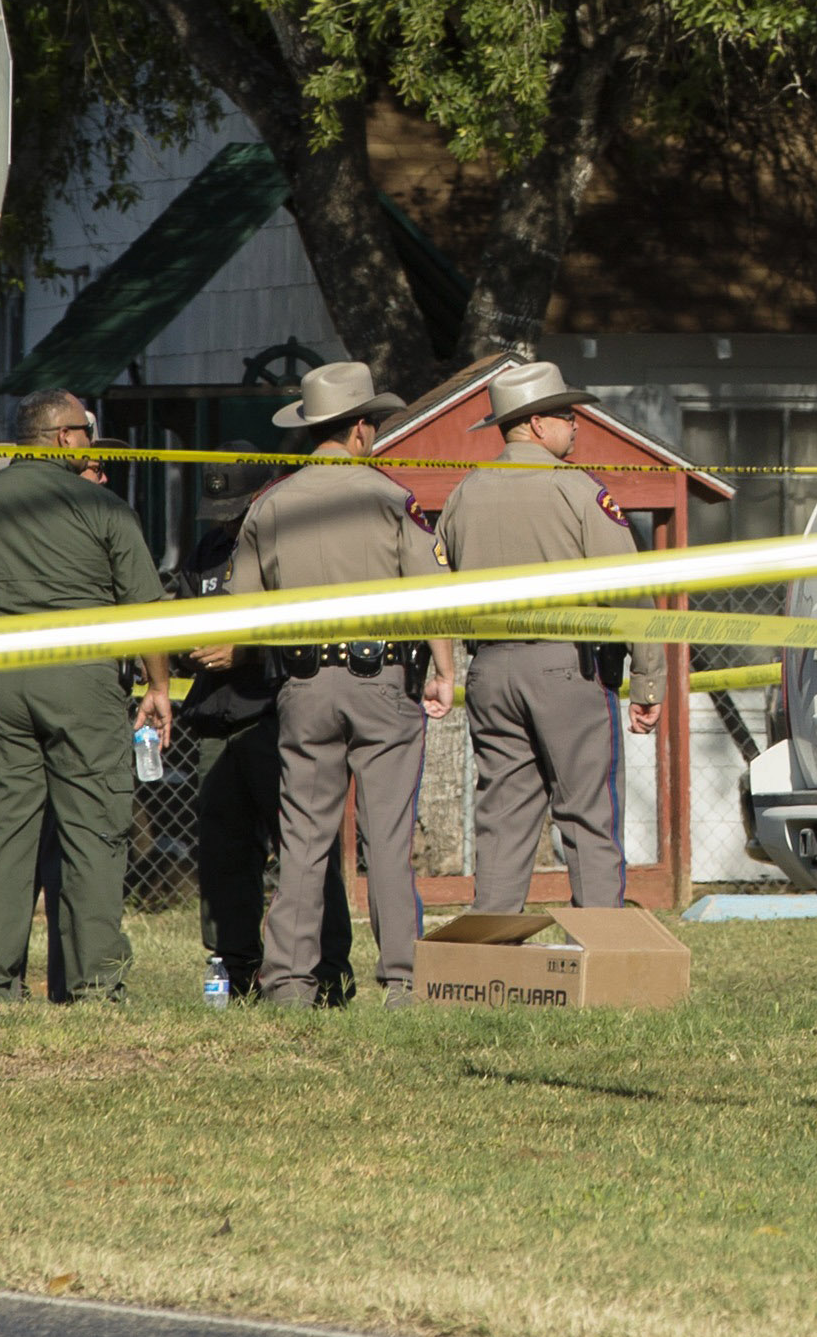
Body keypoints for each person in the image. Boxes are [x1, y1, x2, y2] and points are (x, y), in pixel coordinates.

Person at [0, 393, 175, 1003]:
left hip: (0, 683)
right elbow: (147, 609)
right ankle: (95, 986)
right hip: (83, 683)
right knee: (94, 833)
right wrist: (158, 686)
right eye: (86, 431)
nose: (89, 440)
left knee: (5, 836)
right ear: (60, 438)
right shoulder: (102, 507)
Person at [226, 363, 454, 1006]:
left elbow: (242, 609)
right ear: (358, 427)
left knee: (302, 838)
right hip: (381, 680)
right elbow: (433, 594)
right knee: (387, 839)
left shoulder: (268, 505)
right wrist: (443, 668)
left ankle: (290, 984)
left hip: (301, 686)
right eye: (374, 426)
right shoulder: (388, 498)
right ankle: (404, 981)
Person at [438, 361, 653, 911]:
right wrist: (648, 680)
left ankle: (489, 955)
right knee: (587, 815)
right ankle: (602, 951)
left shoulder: (465, 493)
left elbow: (434, 584)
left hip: (487, 672)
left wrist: (439, 666)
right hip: (567, 669)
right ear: (536, 425)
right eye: (566, 414)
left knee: (504, 820)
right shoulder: (578, 490)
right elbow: (628, 589)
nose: (576, 424)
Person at [174, 485, 349, 1003]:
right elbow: (183, 608)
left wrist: (244, 650)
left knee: (304, 850)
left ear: (258, 499)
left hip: (278, 717)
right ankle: (238, 972)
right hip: (217, 721)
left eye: (235, 515)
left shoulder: (289, 541)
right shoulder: (207, 549)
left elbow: (314, 620)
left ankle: (330, 972)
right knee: (224, 857)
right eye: (219, 516)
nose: (227, 526)